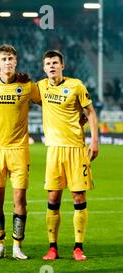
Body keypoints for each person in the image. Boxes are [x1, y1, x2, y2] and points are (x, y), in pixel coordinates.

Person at [37, 50, 99, 261]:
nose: (52, 66)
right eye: (48, 63)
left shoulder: (76, 85)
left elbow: (90, 113)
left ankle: (78, 247)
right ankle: (52, 247)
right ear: (44, 68)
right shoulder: (41, 87)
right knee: (53, 198)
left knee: (78, 197)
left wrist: (94, 140)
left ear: (62, 66)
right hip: (54, 150)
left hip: (76, 148)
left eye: (55, 62)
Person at [0, 44, 40, 260]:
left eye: (11, 59)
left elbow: (48, 101)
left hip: (19, 150)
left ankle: (17, 246)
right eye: (4, 59)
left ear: (16, 62)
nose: (7, 62)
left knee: (20, 199)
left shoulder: (27, 86)